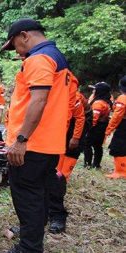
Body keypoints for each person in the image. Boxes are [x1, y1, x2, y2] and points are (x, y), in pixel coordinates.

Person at [1, 18, 74, 253]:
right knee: (40, 191)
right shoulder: (56, 56)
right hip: (49, 143)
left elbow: (39, 100)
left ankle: (29, 248)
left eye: (15, 45)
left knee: (27, 196)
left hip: (32, 145)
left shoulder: (39, 58)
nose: (17, 51)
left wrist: (21, 140)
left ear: (24, 36)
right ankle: (33, 235)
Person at [48, 90, 89, 234]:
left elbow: (80, 117)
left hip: (65, 138)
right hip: (44, 138)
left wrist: (76, 137)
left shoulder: (71, 94)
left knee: (58, 176)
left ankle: (57, 215)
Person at [84, 82, 112, 168]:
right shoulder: (107, 102)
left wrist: (87, 129)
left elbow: (94, 119)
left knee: (87, 144)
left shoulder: (98, 103)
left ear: (99, 91)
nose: (93, 91)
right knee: (98, 146)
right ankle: (96, 164)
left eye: (95, 89)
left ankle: (87, 164)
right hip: (103, 126)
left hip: (95, 128)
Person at [105, 75, 126, 179]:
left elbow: (117, 116)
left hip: (123, 126)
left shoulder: (123, 98)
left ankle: (120, 171)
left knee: (118, 147)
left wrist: (109, 129)